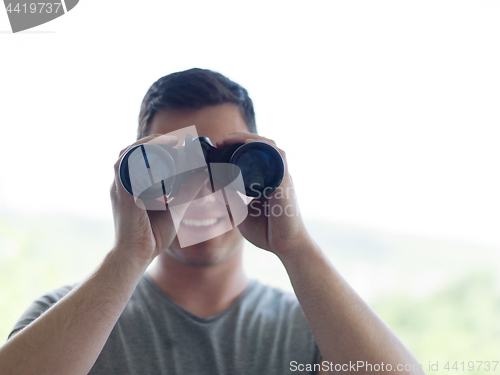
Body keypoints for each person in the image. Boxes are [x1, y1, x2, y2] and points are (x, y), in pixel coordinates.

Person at [0, 68, 424, 375]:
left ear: (263, 174)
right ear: (138, 179)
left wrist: (296, 247)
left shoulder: (316, 326)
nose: (203, 191)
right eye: (173, 166)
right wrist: (128, 256)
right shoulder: (68, 319)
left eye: (228, 165)